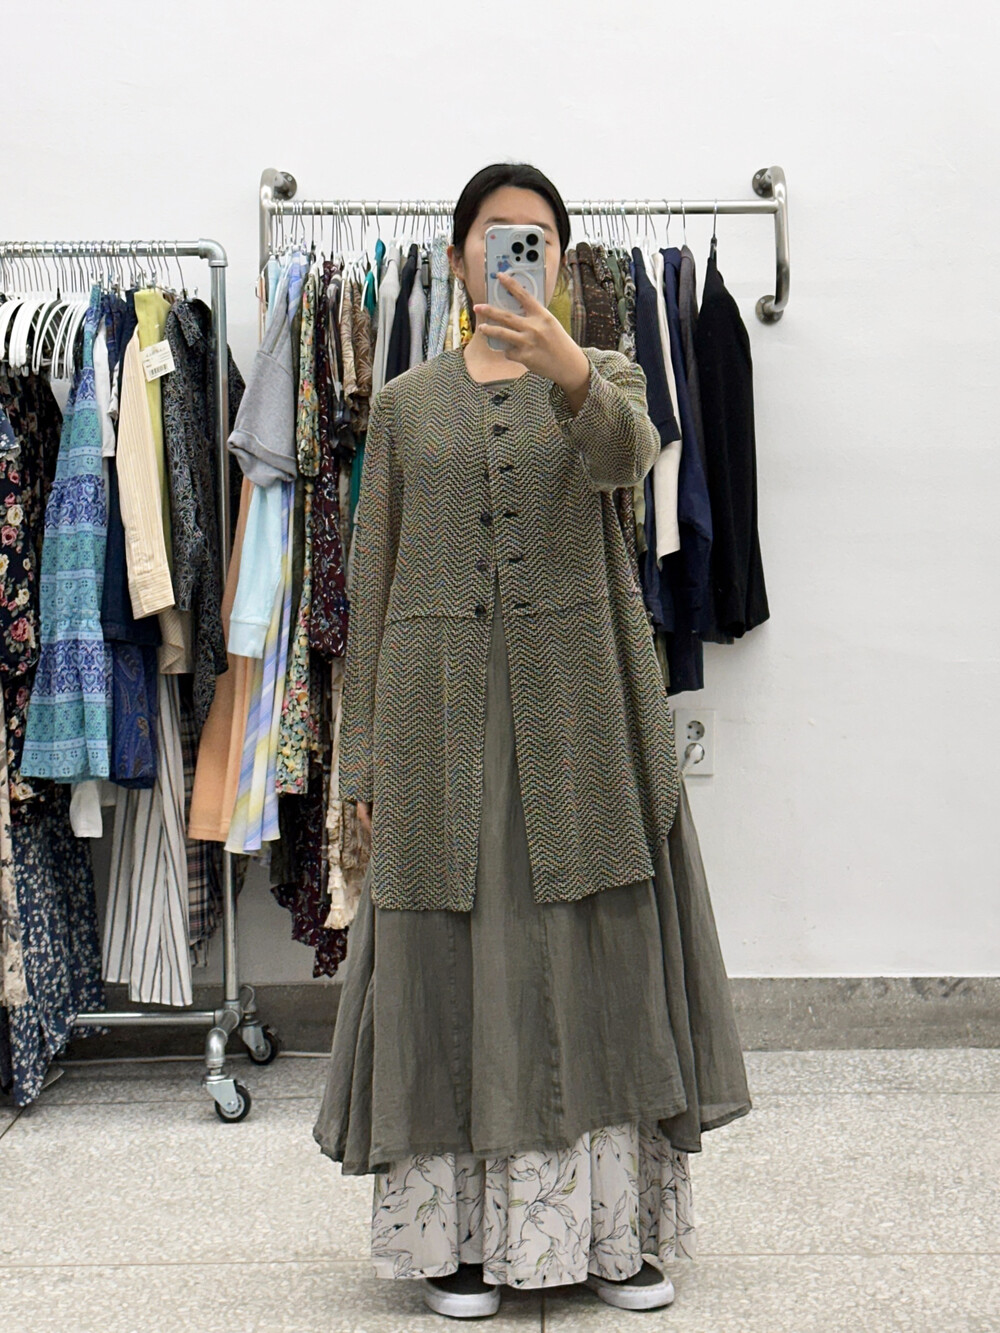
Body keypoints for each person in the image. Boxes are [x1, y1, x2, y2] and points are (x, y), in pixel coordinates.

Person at [313, 162, 751, 1320]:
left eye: (540, 238)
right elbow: (371, 576)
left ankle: (610, 1235)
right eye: (498, 235)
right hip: (438, 718)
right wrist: (362, 760)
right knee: (446, 963)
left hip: (581, 716)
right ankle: (454, 1242)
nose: (520, 253)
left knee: (592, 954)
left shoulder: (607, 376)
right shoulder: (404, 405)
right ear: (457, 253)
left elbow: (625, 459)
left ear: (561, 258)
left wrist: (568, 369)